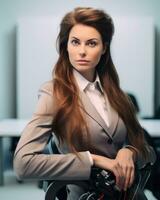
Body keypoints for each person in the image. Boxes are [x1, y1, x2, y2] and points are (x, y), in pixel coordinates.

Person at [14, 7, 156, 200]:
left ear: (104, 47)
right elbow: (23, 164)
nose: (82, 51)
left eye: (91, 43)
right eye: (75, 42)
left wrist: (129, 152)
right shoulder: (54, 93)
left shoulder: (119, 95)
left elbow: (149, 153)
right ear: (66, 46)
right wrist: (93, 160)